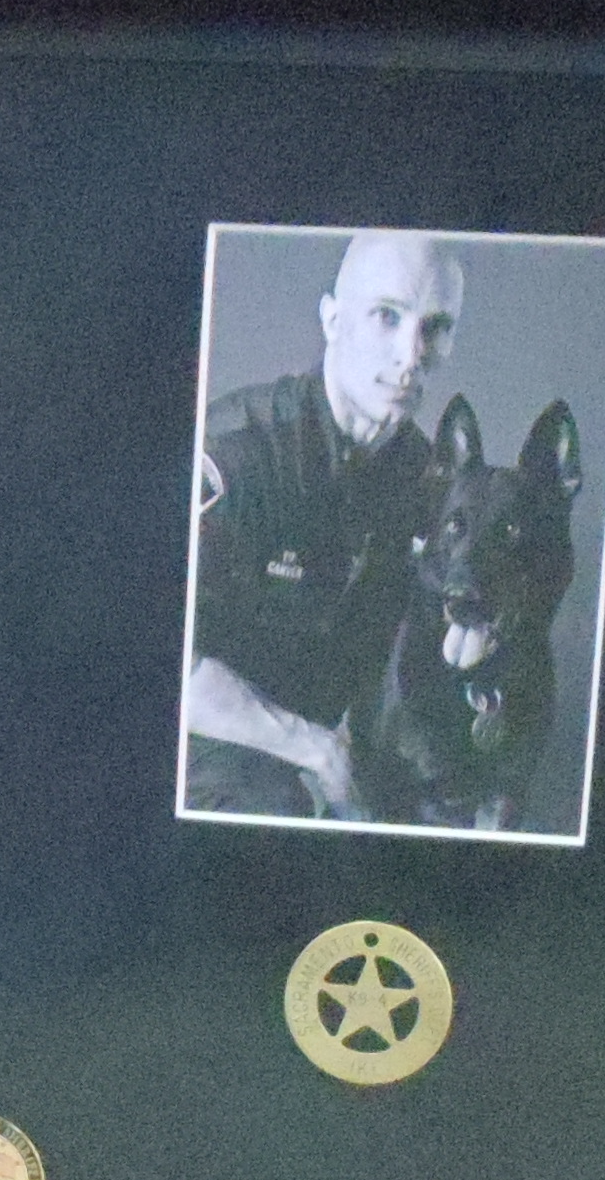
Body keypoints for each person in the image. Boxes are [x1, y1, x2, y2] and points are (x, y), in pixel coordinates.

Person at [183, 230, 465, 819]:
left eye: (435, 327)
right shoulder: (242, 451)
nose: (410, 355)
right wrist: (314, 749)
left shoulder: (424, 477)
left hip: (335, 743)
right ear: (333, 320)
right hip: (211, 739)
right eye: (387, 316)